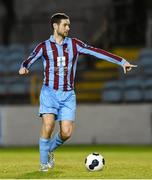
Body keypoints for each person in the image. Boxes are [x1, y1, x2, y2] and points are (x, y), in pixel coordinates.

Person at [19, 13, 137, 172]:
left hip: (68, 95)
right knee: (48, 125)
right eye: (65, 25)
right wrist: (24, 66)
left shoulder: (74, 44)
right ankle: (43, 164)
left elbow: (96, 52)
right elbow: (30, 59)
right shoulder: (43, 46)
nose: (68, 28)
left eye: (69, 25)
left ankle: (49, 151)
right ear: (55, 26)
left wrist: (121, 61)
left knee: (66, 133)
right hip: (49, 93)